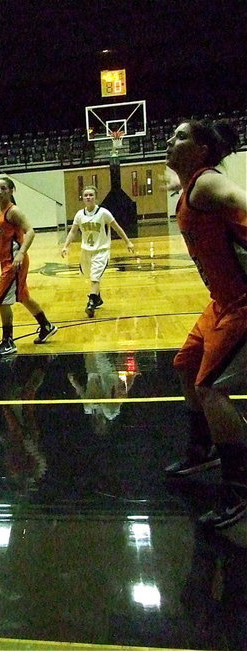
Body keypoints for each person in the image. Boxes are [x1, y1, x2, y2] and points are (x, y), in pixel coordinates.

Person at [162, 119, 247, 530]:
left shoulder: (207, 184)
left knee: (210, 388)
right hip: (221, 301)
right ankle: (204, 450)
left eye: (180, 136)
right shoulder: (188, 186)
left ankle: (239, 488)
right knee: (186, 364)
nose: (169, 140)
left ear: (200, 151)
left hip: (243, 303)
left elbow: (239, 197)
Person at [0, 177, 58, 357]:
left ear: (11, 191)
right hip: (6, 261)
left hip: (15, 262)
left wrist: (21, 253)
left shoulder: (13, 212)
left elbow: (31, 231)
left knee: (1, 300)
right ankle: (46, 326)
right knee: (23, 297)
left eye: (3, 188)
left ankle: (8, 341)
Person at [61, 185, 134, 317]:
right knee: (91, 276)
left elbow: (117, 227)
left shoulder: (103, 213)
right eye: (86, 195)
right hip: (86, 251)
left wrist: (127, 242)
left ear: (96, 197)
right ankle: (98, 297)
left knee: (95, 277)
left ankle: (91, 302)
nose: (88, 197)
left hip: (101, 250)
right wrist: (66, 246)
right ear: (82, 198)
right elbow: (73, 232)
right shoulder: (79, 215)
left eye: (91, 195)